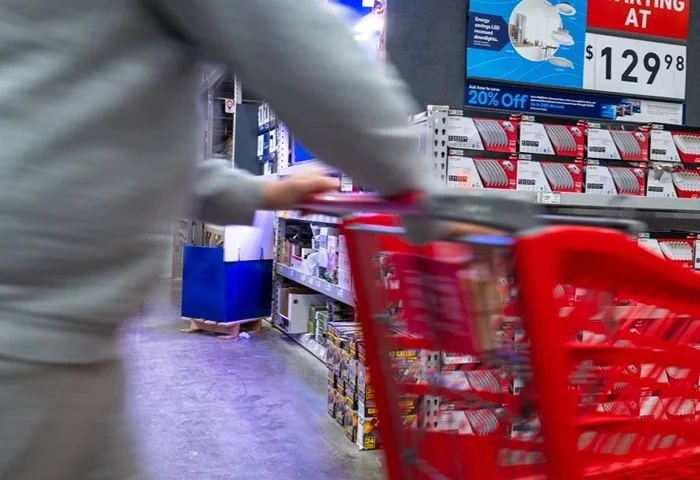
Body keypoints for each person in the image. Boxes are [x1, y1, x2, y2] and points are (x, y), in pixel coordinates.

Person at [0, 1, 433, 478]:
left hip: (59, 336)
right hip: (30, 335)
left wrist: (262, 192)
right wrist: (418, 186)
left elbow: (105, 143)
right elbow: (295, 40)